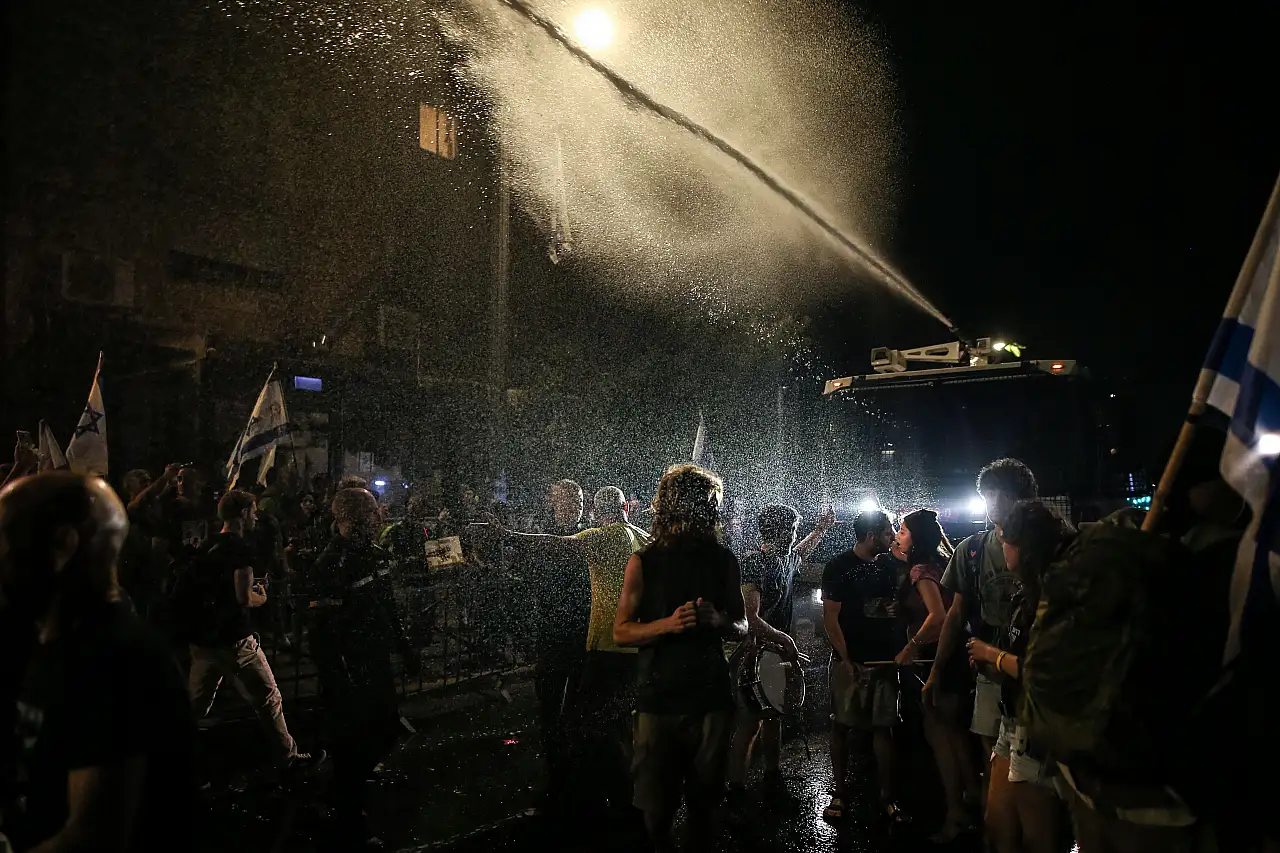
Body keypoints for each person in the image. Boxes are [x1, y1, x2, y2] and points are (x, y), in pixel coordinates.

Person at [0, 472, 196, 851]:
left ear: (62, 544)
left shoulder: (117, 661)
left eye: (4, 543)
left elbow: (92, 836)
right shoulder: (43, 643)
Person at [614, 464, 747, 853]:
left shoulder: (723, 559)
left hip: (711, 700)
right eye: (710, 503)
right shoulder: (644, 562)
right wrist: (666, 625)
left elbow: (741, 626)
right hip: (659, 700)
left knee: (705, 809)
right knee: (657, 810)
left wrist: (720, 619)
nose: (714, 510)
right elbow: (621, 630)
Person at [503, 486, 651, 813]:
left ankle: (608, 793)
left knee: (588, 720)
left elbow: (556, 546)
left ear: (594, 509)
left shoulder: (601, 536)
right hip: (617, 644)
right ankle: (607, 787)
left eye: (582, 502)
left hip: (603, 645)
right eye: (568, 500)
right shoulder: (637, 536)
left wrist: (507, 535)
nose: (576, 507)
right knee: (603, 719)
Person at [186, 489, 324, 774]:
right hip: (235, 640)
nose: (256, 516)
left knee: (196, 706)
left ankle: (169, 760)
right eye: (253, 511)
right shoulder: (239, 549)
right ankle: (288, 759)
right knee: (269, 699)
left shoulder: (209, 543)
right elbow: (244, 598)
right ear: (244, 513)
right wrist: (262, 595)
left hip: (203, 638)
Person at [309, 488, 417, 848]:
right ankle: (348, 818)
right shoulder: (332, 563)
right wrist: (339, 674)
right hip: (349, 668)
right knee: (351, 744)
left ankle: (343, 792)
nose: (380, 516)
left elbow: (388, 607)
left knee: (385, 728)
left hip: (374, 661)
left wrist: (404, 647)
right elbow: (321, 629)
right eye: (373, 510)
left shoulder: (375, 556)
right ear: (355, 517)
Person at [966, 500, 1072, 853]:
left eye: (1003, 538)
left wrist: (992, 656)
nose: (1000, 545)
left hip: (1038, 730)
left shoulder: (1054, 596)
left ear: (1024, 546)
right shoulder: (1026, 592)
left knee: (1037, 838)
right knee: (998, 828)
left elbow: (1044, 673)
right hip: (1013, 722)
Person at [923, 458, 1039, 759]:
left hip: (1036, 671)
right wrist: (936, 671)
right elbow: (955, 615)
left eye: (998, 493)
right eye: (987, 494)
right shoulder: (971, 551)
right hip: (990, 672)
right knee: (994, 751)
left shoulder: (1049, 547)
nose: (992, 502)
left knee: (1036, 758)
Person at [726, 503, 835, 800]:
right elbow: (751, 616)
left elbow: (803, 551)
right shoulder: (755, 563)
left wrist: (820, 530)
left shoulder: (786, 558)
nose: (795, 536)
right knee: (750, 722)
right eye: (794, 530)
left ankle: (772, 777)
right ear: (783, 532)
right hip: (754, 653)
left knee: (774, 715)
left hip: (774, 653)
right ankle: (735, 791)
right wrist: (785, 639)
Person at [892, 509, 981, 842]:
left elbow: (939, 617)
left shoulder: (919, 570)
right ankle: (976, 801)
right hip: (958, 655)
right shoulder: (945, 562)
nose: (898, 535)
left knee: (940, 736)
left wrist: (910, 647)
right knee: (957, 735)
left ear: (916, 537)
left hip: (935, 660)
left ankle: (955, 816)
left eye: (902, 530)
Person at [820, 509, 903, 824]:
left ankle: (888, 799)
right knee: (841, 725)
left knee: (884, 729)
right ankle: (840, 793)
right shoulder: (839, 567)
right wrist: (845, 659)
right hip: (849, 661)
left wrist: (895, 608)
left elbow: (889, 606)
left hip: (883, 660)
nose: (892, 537)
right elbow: (830, 620)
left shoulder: (887, 566)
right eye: (887, 533)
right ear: (872, 536)